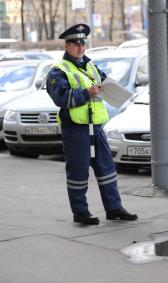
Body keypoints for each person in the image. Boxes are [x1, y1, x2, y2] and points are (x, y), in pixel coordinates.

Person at [46, 24, 137, 225]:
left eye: (83, 43)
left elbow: (106, 85)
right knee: (78, 171)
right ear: (67, 45)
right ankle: (80, 212)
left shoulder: (91, 67)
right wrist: (88, 92)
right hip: (76, 129)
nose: (81, 47)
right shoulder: (58, 71)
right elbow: (62, 99)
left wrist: (121, 94)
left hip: (96, 127)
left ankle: (114, 208)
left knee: (107, 169)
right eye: (76, 44)